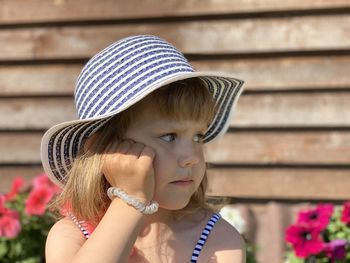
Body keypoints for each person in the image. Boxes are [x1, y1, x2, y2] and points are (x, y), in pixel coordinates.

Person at [42, 35, 245, 263]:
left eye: (199, 136)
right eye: (169, 136)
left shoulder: (217, 241)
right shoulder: (73, 236)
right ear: (105, 149)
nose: (192, 158)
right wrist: (130, 202)